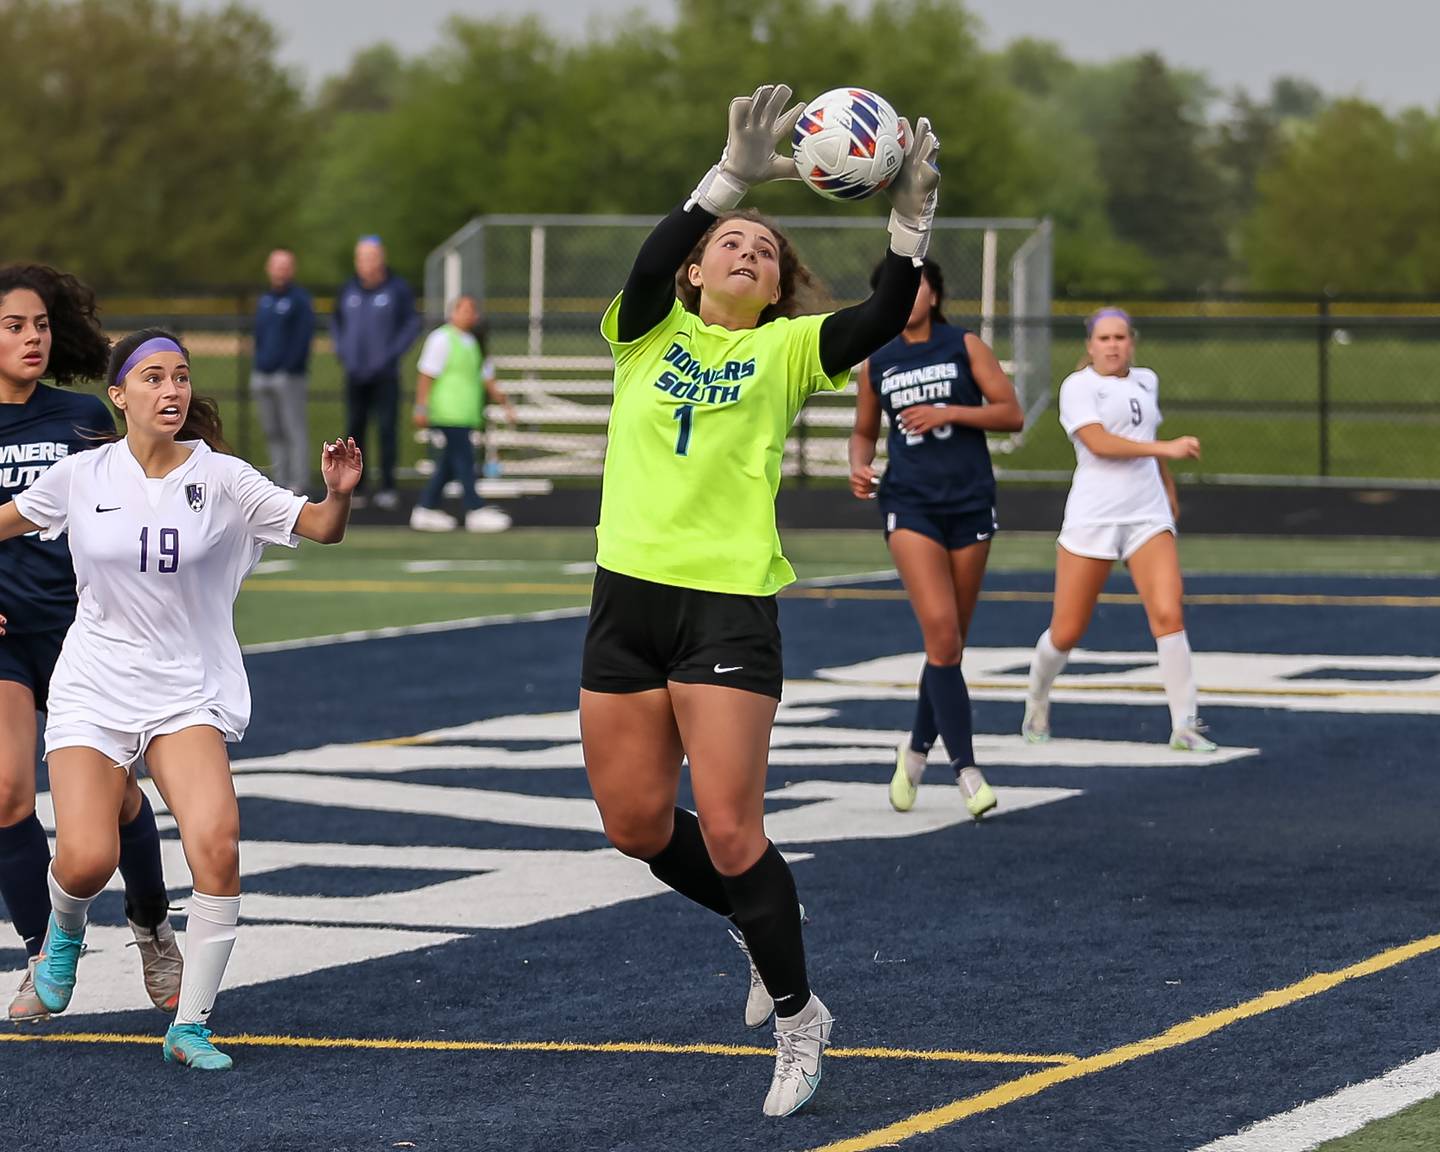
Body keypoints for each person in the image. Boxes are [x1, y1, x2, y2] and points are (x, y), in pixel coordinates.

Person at [579, 83, 940, 1117]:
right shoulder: (643, 335)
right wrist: (726, 179)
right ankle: (750, 919)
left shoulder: (785, 352)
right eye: (729, 242)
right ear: (698, 269)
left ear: (780, 286)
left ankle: (799, 1016)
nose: (745, 252)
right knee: (637, 825)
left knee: (735, 832)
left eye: (765, 249)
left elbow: (880, 312)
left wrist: (908, 220)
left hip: (726, 606)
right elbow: (650, 263)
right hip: (625, 599)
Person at [0, 327, 362, 1069]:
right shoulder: (81, 475)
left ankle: (190, 1027)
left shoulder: (224, 478)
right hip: (94, 685)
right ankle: (63, 937)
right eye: (154, 378)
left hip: (184, 690)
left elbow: (320, 527)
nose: (171, 391)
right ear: (119, 395)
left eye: (181, 377)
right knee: (87, 859)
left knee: (217, 846)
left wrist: (338, 493)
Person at [0, 265, 181, 1022]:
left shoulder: (79, 418)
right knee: (7, 790)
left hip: (86, 636)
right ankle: (47, 951)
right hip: (5, 636)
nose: (32, 337)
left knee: (115, 800)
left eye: (40, 324)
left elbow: (139, 503)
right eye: (14, 326)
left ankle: (149, 919)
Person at [848, 258, 1023, 818]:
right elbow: (863, 429)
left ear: (936, 292)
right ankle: (967, 770)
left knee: (948, 647)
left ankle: (916, 750)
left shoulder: (963, 345)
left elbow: (1011, 413)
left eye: (919, 283)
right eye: (899, 286)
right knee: (942, 634)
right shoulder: (878, 361)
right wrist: (859, 465)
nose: (910, 293)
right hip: (910, 504)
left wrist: (949, 410)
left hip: (969, 501)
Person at [1021, 307, 1215, 751]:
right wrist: (1164, 447)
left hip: (1147, 515)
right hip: (1094, 518)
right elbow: (1099, 443)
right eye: (1104, 338)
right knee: (1067, 630)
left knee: (1169, 613)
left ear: (1132, 341)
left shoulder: (1146, 380)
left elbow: (1146, 437)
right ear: (1090, 346)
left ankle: (1184, 723)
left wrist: (1166, 485)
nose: (1113, 345)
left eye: (1121, 337)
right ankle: (1037, 698)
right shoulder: (1079, 387)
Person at [409, 294, 516, 534]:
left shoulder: (473, 342)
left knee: (449, 463)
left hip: (465, 414)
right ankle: (474, 509)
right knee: (465, 460)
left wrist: (505, 405)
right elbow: (426, 375)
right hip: (447, 412)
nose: (470, 315)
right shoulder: (441, 339)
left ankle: (425, 508)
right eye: (464, 310)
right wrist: (421, 407)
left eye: (472, 310)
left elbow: (486, 376)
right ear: (453, 312)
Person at [331, 235, 419, 509]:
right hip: (355, 374)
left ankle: (388, 487)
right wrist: (344, 351)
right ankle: (358, 487)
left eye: (371, 257)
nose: (366, 263)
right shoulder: (348, 290)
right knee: (354, 432)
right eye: (362, 258)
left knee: (386, 430)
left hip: (385, 375)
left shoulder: (397, 289)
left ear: (381, 259)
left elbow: (411, 324)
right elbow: (336, 323)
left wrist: (390, 355)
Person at [250, 248, 315, 495]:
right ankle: (280, 479)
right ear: (269, 268)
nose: (280, 270)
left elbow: (303, 337)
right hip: (262, 373)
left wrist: (288, 365)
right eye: (276, 265)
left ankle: (298, 482)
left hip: (288, 376)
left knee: (293, 429)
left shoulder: (299, 300)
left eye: (285, 265)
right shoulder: (265, 300)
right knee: (272, 430)